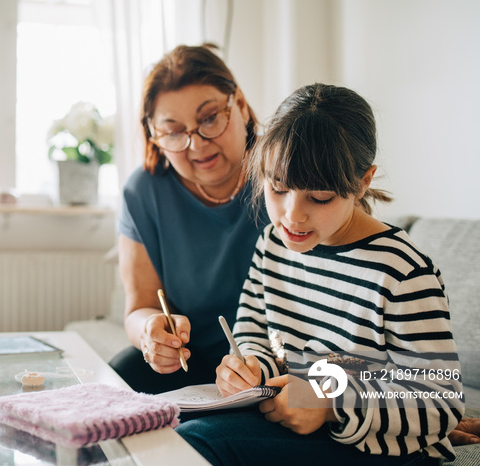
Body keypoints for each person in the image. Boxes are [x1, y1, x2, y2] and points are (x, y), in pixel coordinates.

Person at [175, 83, 465, 465]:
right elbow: (253, 332)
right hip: (295, 423)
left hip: (376, 447)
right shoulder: (272, 244)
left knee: (199, 443)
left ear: (362, 181)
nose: (293, 215)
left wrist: (329, 403)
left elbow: (439, 400)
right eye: (277, 187)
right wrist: (248, 369)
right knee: (175, 430)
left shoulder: (401, 272)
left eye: (320, 197)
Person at [110, 43, 266, 394]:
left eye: (210, 118)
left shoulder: (286, 175)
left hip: (273, 366)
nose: (196, 145)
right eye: (175, 131)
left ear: (239, 104)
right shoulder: (144, 192)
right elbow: (138, 309)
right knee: (118, 379)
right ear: (155, 136)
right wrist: (151, 333)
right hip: (190, 364)